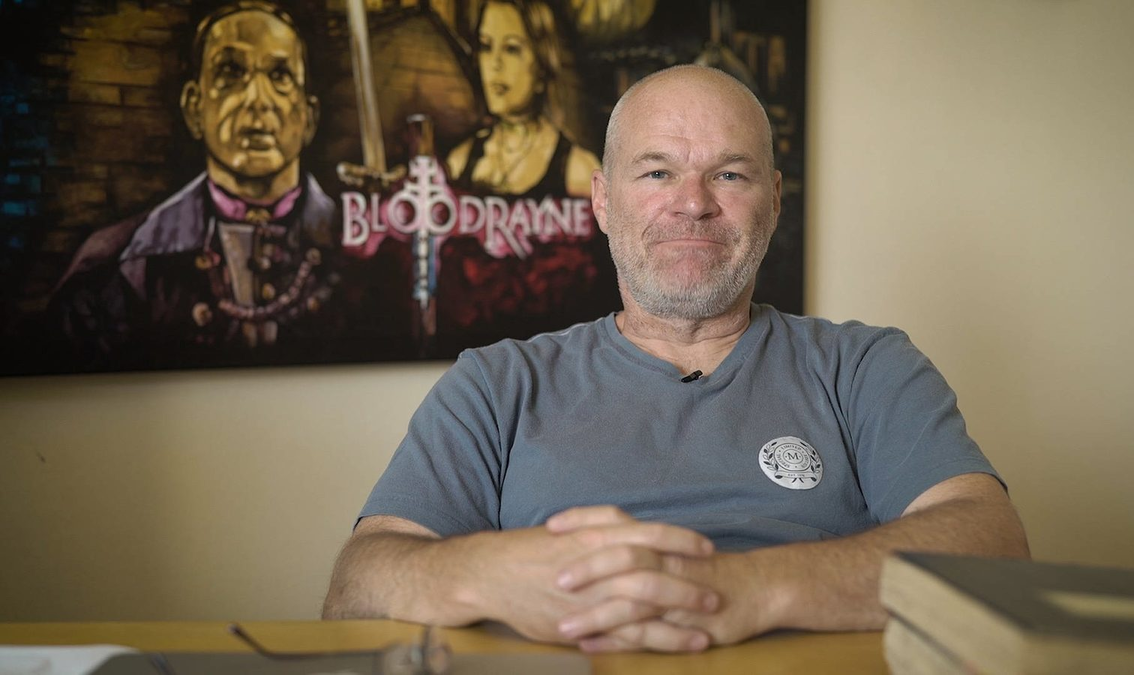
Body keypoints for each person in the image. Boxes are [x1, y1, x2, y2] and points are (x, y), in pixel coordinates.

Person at [323, 65, 1030, 652]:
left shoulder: (865, 366)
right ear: (603, 201)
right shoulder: (496, 383)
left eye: (730, 175)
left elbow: (994, 544)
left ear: (774, 201)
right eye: (658, 172)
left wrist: (745, 588)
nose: (692, 204)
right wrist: (492, 576)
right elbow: (357, 586)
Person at [49, 1, 383, 368]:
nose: (257, 100)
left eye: (280, 75)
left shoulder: (367, 255)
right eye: (231, 72)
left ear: (309, 117)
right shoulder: (120, 266)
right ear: (194, 108)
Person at [446, 0, 599, 198]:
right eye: (486, 46)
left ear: (542, 65)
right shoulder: (458, 163)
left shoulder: (578, 171)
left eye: (511, 49)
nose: (495, 64)